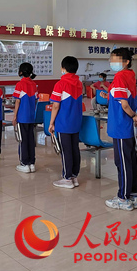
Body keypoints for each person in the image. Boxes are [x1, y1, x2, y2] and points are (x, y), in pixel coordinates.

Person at [102, 48, 137, 211]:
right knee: (130, 160)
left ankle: (123, 198)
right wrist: (108, 96)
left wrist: (133, 115)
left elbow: (124, 105)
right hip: (126, 127)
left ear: (126, 62)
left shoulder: (119, 77)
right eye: (111, 59)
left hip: (120, 126)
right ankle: (133, 195)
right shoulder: (129, 76)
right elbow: (122, 98)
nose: (112, 62)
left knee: (122, 162)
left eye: (116, 60)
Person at [49, 56, 83, 189]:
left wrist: (51, 122)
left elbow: (55, 106)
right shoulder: (79, 83)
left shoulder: (60, 84)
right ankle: (74, 176)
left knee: (65, 150)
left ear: (63, 68)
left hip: (63, 122)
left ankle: (67, 178)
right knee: (75, 149)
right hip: (76, 121)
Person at [13, 62, 38, 173]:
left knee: (23, 140)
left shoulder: (20, 84)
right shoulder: (34, 85)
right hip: (31, 116)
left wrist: (14, 116)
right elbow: (36, 100)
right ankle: (32, 163)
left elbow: (17, 101)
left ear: (21, 72)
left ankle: (24, 163)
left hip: (22, 117)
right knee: (30, 140)